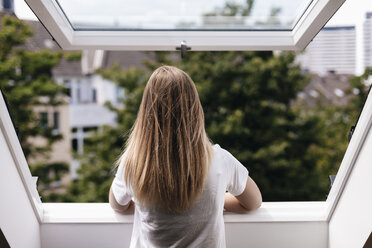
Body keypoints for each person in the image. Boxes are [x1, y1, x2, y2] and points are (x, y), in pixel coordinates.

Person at [109, 65, 262, 248]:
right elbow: (253, 202)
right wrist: (216, 200)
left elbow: (118, 204)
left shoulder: (134, 163)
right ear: (194, 109)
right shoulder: (220, 160)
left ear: (147, 111)